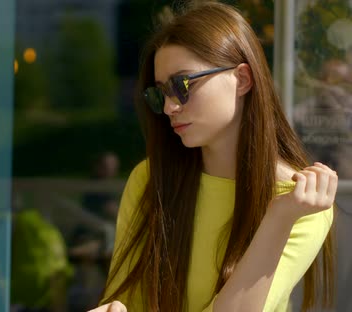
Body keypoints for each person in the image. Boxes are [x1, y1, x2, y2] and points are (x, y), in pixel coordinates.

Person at [89, 2, 337, 312]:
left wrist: (278, 218)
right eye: (160, 93)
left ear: (243, 79)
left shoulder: (299, 202)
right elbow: (124, 298)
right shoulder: (150, 178)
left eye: (182, 85)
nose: (169, 107)